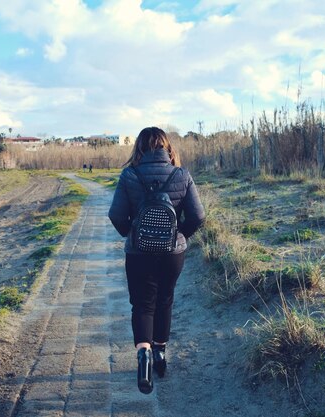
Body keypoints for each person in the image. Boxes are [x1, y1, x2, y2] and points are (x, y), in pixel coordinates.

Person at [108, 126, 205, 394]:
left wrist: (134, 235)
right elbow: (198, 217)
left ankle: (144, 356)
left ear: (139, 148)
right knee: (164, 300)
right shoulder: (181, 175)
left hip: (138, 254)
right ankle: (160, 354)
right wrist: (177, 236)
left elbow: (116, 216)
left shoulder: (129, 175)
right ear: (167, 147)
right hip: (172, 254)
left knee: (141, 303)